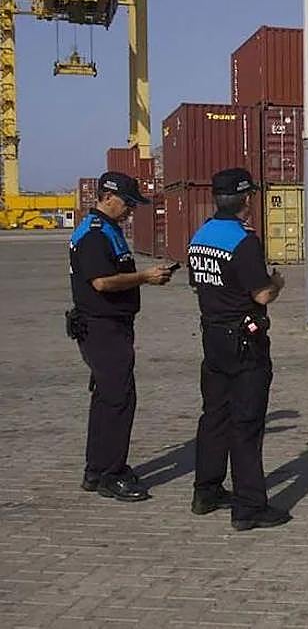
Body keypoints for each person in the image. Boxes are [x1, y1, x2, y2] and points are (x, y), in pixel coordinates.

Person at [187, 168, 290, 531]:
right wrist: (276, 282)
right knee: (246, 423)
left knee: (213, 416)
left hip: (212, 338)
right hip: (244, 343)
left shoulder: (200, 236)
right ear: (246, 200)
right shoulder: (243, 241)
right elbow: (260, 294)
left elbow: (198, 284)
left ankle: (206, 490)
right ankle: (249, 506)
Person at [68, 171, 174, 501]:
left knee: (106, 399)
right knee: (118, 399)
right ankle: (109, 474)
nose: (131, 210)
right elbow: (101, 282)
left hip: (110, 326)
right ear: (107, 197)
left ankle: (98, 468)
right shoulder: (95, 234)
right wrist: (144, 277)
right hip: (102, 327)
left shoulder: (108, 229)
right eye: (127, 203)